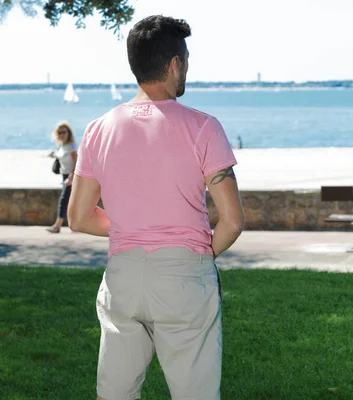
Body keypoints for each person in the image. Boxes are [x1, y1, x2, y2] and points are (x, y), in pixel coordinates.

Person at [67, 16, 244, 400]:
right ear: (174, 64)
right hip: (183, 276)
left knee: (113, 394)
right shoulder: (203, 127)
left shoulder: (99, 128)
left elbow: (78, 218)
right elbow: (231, 221)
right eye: (187, 61)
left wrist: (134, 228)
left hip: (123, 276)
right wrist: (198, 252)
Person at [46, 121, 78, 233]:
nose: (62, 134)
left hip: (71, 176)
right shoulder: (62, 146)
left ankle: (57, 226)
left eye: (64, 132)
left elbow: (76, 163)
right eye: (60, 132)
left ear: (69, 133)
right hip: (64, 175)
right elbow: (60, 156)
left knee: (64, 200)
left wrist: (71, 177)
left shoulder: (72, 147)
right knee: (71, 201)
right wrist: (53, 155)